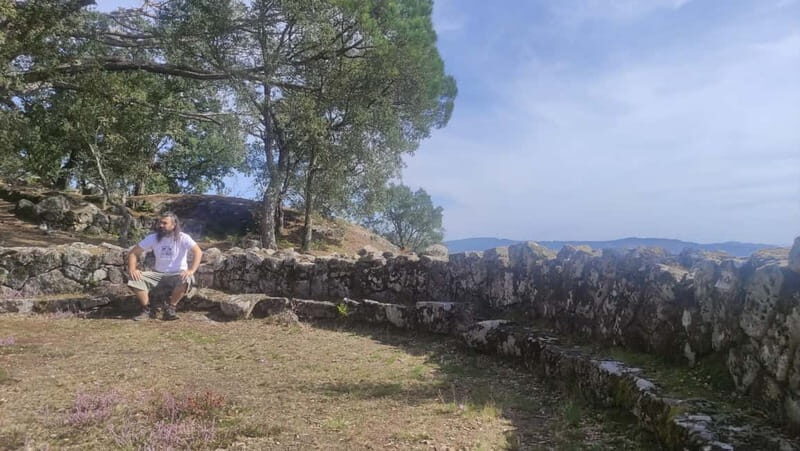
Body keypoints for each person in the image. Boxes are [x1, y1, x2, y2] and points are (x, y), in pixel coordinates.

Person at [127, 212, 202, 321]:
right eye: (160, 223)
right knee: (134, 279)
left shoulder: (183, 237)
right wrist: (132, 269)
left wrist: (191, 270)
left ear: (173, 225)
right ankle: (147, 310)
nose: (161, 225)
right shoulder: (152, 238)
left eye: (164, 223)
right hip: (158, 274)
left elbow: (198, 252)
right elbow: (133, 253)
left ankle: (171, 309)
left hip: (177, 274)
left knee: (186, 278)